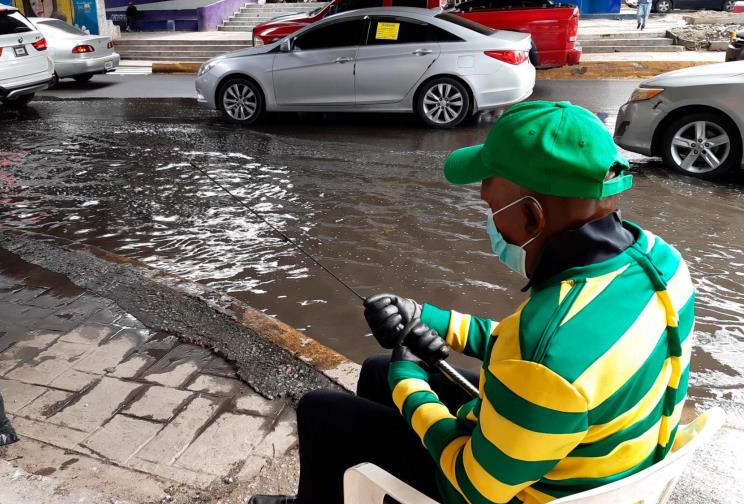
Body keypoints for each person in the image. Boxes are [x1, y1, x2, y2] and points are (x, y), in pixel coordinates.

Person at [248, 101, 695, 504]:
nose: (491, 217)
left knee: (323, 411)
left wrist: (410, 382)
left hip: (512, 490)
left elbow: (474, 489)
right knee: (375, 370)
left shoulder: (545, 348)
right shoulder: (662, 261)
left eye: (492, 204)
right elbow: (528, 351)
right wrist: (427, 318)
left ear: (531, 215)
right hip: (595, 458)